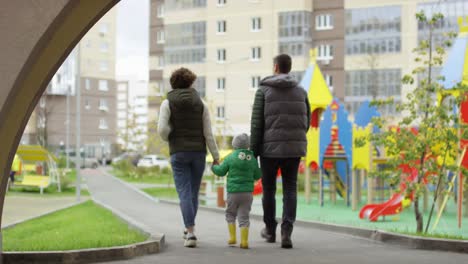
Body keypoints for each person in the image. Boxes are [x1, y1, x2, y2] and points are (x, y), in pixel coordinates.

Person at [250, 54, 310, 249]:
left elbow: (256, 124)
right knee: (290, 189)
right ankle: (287, 232)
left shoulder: (263, 91)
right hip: (293, 150)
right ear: (289, 68)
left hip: (269, 150)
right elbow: (306, 122)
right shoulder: (301, 91)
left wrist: (254, 151)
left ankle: (269, 229)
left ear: (275, 67)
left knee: (269, 190)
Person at [158, 67, 220, 248]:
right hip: (198, 154)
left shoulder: (167, 103)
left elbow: (162, 130)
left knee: (184, 192)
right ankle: (189, 229)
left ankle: (191, 232)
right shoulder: (201, 103)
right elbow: (208, 133)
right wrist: (215, 156)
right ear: (191, 83)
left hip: (178, 152)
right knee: (193, 193)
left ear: (173, 83)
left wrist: (170, 133)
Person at [211, 133, 261, 249]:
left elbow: (221, 171)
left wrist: (214, 167)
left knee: (230, 214)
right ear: (248, 146)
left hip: (233, 193)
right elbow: (258, 175)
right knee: (244, 217)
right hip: (247, 194)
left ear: (234, 145)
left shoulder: (230, 157)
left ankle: (232, 237)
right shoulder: (252, 159)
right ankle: (244, 241)